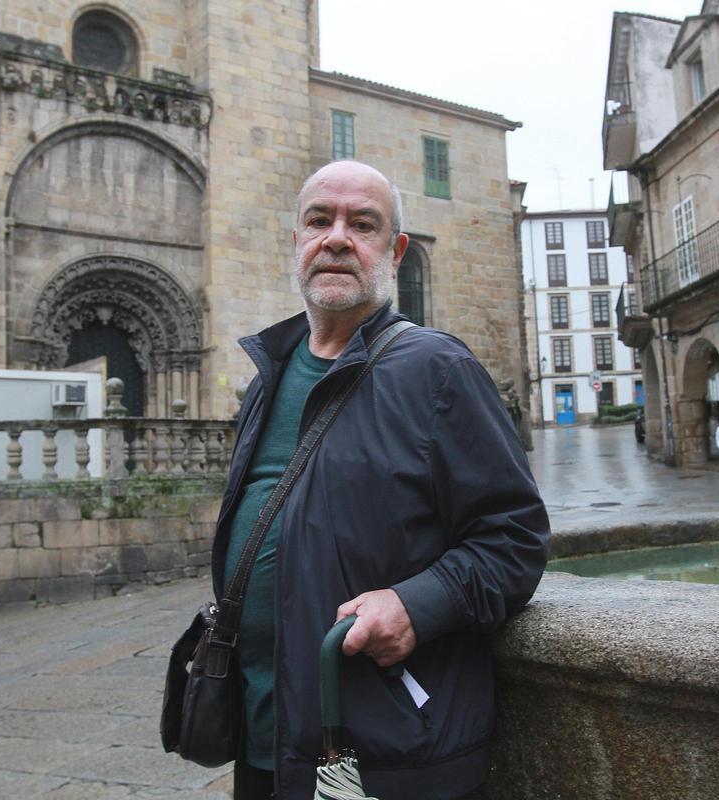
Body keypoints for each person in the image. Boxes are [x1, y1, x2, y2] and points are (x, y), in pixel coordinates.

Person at [211, 160, 550, 800]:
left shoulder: (438, 370)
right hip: (266, 747)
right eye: (319, 220)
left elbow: (516, 539)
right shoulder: (268, 379)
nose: (336, 237)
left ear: (394, 251)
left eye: (361, 224)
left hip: (381, 754)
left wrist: (417, 605)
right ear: (296, 242)